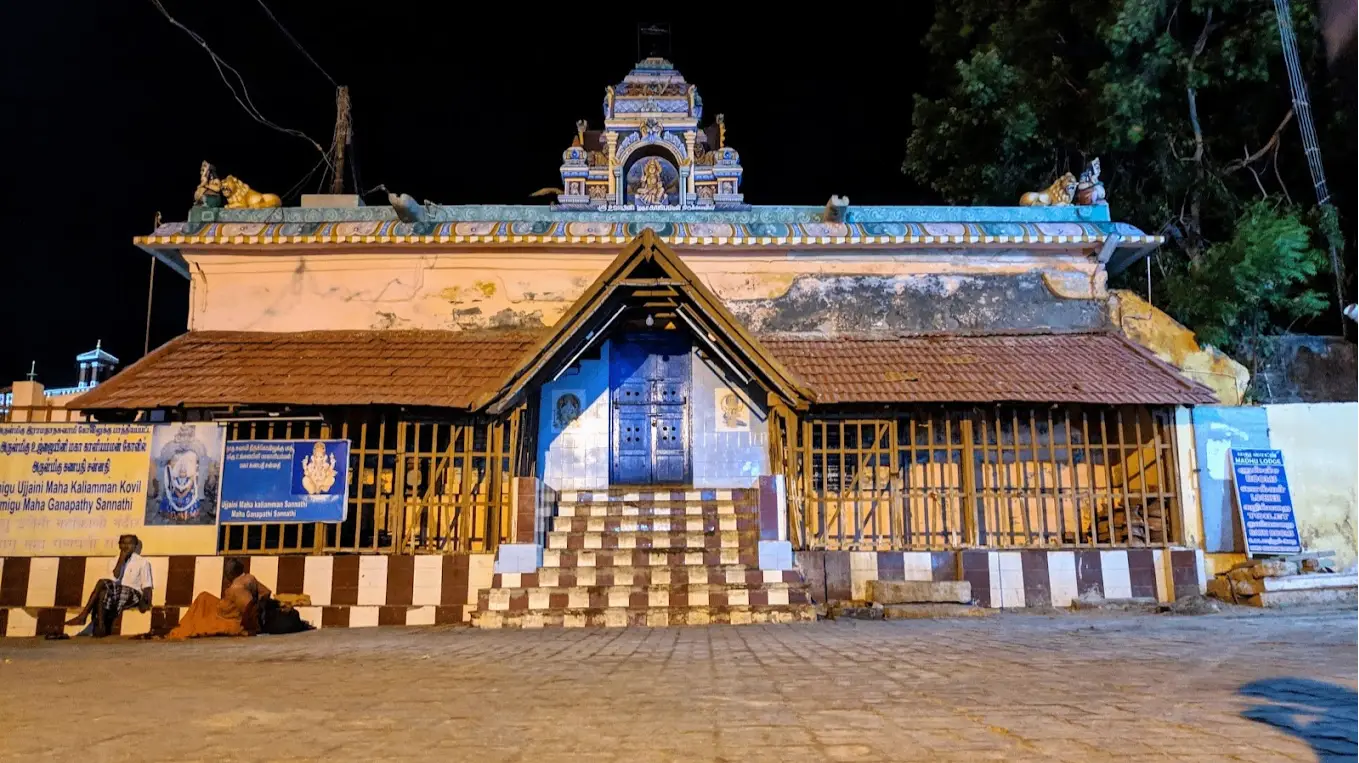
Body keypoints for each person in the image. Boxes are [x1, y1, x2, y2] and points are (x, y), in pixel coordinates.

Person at [64, 534, 153, 637]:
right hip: (116, 593)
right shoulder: (114, 560)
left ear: (135, 546)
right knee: (103, 592)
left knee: (102, 582)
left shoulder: (142, 562)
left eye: (130, 543)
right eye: (123, 543)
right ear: (119, 545)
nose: (126, 546)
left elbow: (147, 585)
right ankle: (101, 627)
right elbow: (114, 578)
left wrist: (147, 601)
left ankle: (84, 615)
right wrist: (121, 560)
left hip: (133, 595)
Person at [166, 559, 270, 640]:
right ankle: (185, 625)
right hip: (226, 609)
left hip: (227, 619)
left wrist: (249, 626)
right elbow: (266, 593)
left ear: (230, 574)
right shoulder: (250, 578)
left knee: (200, 608)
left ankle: (184, 627)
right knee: (204, 597)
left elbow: (248, 605)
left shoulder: (236, 587)